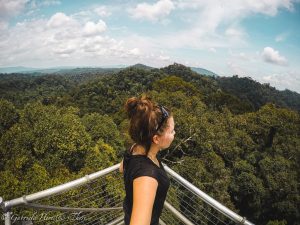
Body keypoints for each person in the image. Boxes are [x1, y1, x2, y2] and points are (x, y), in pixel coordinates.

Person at [119, 95, 176, 225]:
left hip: (128, 214)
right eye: (172, 131)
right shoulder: (147, 176)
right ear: (156, 139)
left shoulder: (134, 148)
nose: (174, 134)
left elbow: (121, 168)